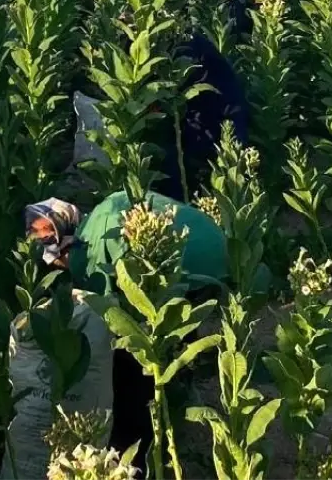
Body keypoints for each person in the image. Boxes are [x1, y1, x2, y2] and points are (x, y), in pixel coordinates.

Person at [24, 192, 228, 474]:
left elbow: (110, 318)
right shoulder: (101, 216)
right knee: (177, 322)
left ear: (63, 247)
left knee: (134, 363)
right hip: (209, 243)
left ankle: (142, 449)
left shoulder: (88, 253)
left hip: (189, 258)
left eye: (56, 265)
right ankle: (179, 385)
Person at [158, 31, 251, 202]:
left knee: (230, 181)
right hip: (208, 115)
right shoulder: (181, 41)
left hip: (217, 115)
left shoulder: (183, 46)